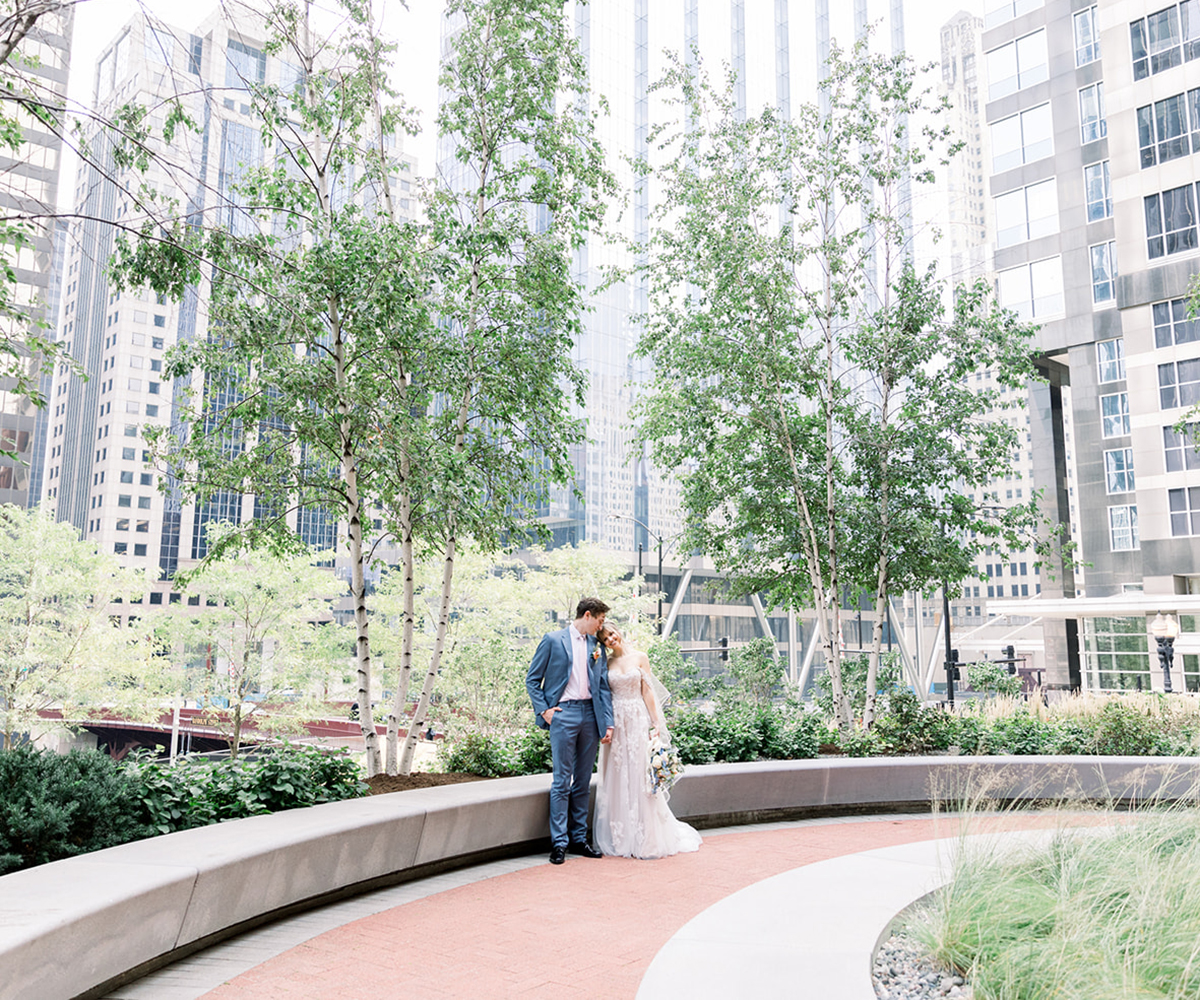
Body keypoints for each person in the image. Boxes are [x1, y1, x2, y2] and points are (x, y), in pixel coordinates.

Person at [593, 626, 702, 859]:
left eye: (612, 634)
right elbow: (602, 694)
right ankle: (620, 834)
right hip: (617, 721)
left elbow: (648, 691)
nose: (611, 639)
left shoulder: (640, 657)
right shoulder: (605, 663)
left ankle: (647, 835)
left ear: (618, 632)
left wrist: (656, 724)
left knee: (641, 773)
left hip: (637, 718)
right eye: (605, 639)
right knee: (618, 772)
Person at [526, 597, 614, 865]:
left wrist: (607, 722)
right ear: (587, 615)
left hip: (590, 715)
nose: (601, 627)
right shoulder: (553, 640)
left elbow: (602, 687)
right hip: (563, 715)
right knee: (562, 781)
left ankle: (578, 839)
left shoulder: (596, 646)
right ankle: (559, 843)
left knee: (584, 781)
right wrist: (545, 711)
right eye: (599, 620)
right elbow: (532, 679)